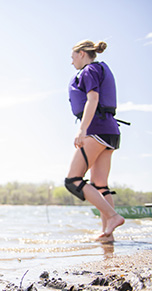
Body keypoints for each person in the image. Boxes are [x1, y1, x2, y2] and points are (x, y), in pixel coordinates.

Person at [65, 40, 125, 241]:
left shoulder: (89, 70)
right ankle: (107, 233)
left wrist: (82, 130)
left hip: (96, 130)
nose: (71, 62)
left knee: (73, 180)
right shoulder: (100, 69)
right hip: (111, 131)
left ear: (82, 54)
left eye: (73, 57)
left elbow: (93, 99)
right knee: (100, 184)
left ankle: (113, 216)